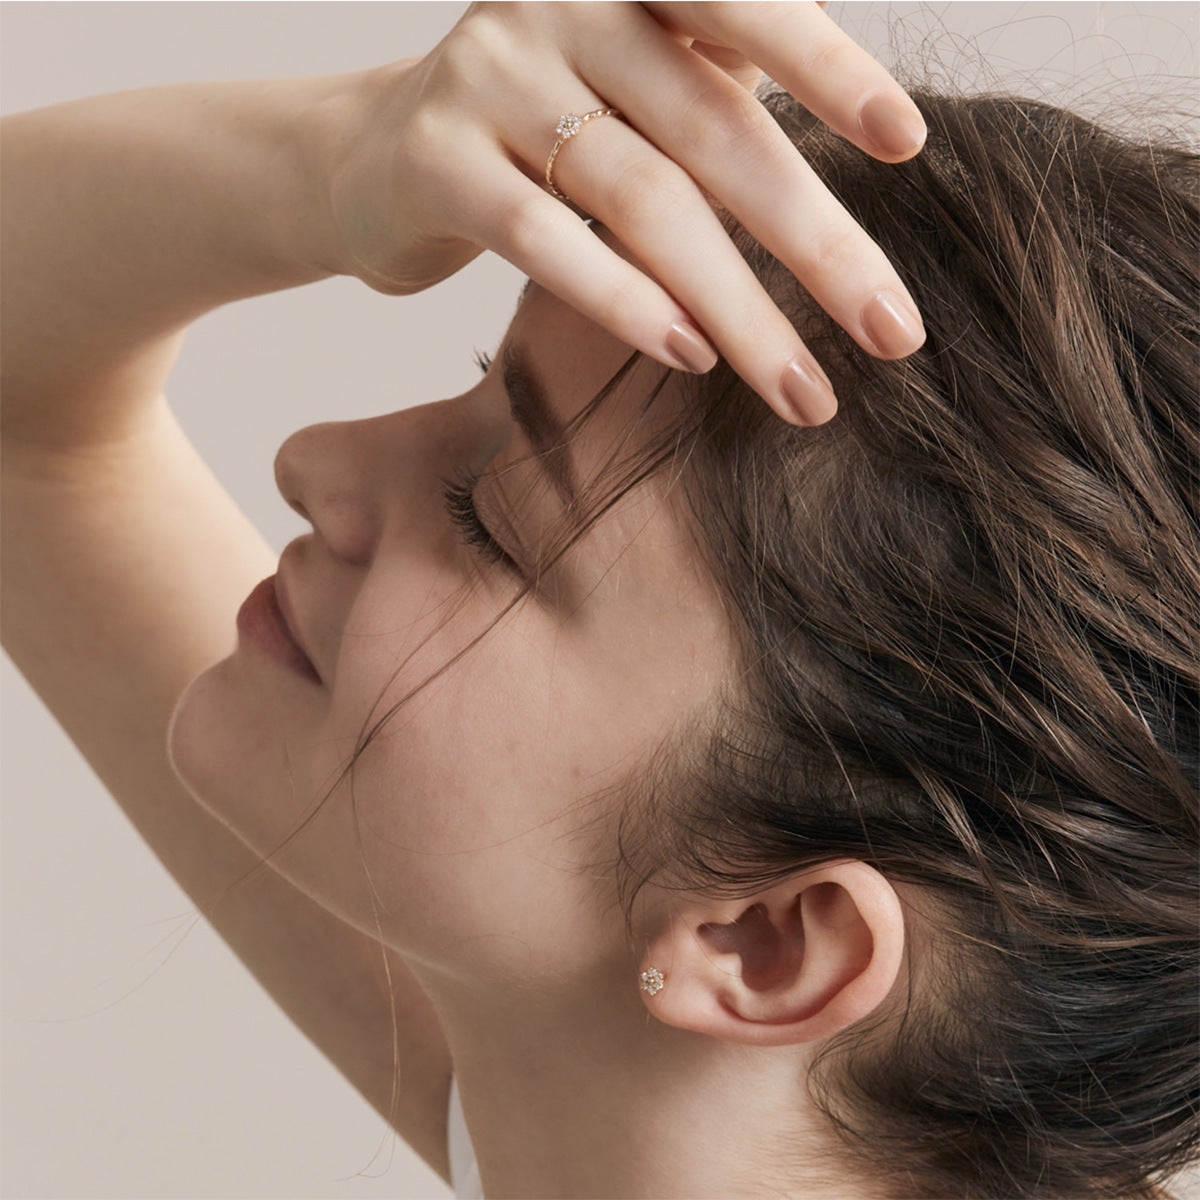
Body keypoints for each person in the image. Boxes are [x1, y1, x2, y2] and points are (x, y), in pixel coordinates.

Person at [2, 3, 1196, 1198]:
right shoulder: (583, 1099)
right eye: (479, 392)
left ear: (768, 944)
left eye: (489, 523)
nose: (313, 458)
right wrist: (339, 153)